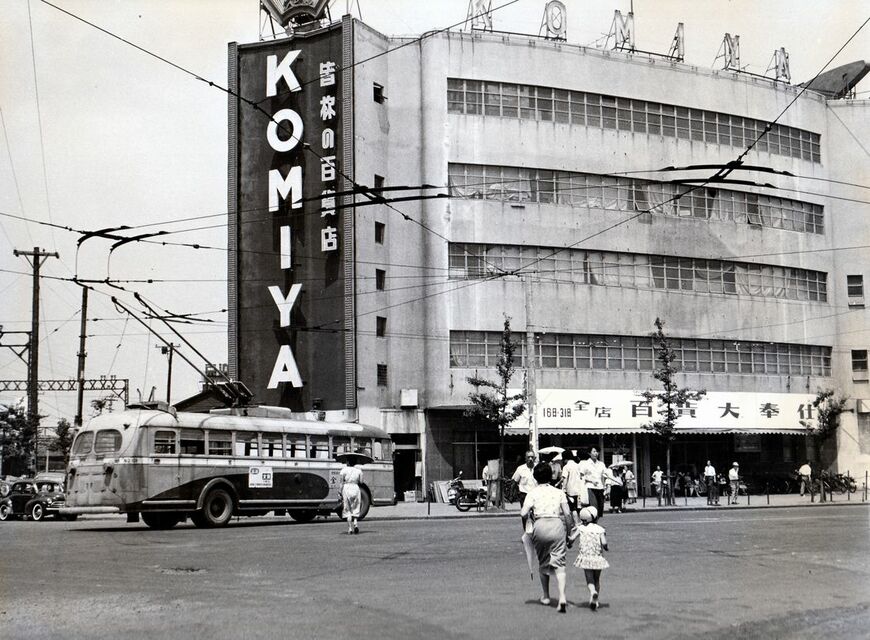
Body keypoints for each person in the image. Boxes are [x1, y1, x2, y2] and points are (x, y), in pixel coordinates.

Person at [520, 463, 573, 613]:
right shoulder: (559, 492)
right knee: (560, 563)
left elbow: (523, 513)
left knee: (543, 561)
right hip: (556, 524)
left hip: (540, 525)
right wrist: (569, 534)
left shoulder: (532, 493)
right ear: (551, 476)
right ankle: (562, 597)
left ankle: (546, 595)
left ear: (535, 477)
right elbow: (568, 515)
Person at [569, 506, 609, 611]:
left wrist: (569, 542)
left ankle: (592, 593)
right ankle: (595, 600)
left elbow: (572, 538)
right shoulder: (600, 529)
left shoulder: (581, 528)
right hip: (597, 558)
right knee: (597, 579)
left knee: (589, 579)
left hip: (586, 558)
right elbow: (604, 543)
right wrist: (606, 547)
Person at [578, 448, 607, 520]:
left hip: (600, 488)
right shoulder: (586, 464)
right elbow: (581, 476)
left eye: (597, 451)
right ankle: (593, 524)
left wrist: (606, 486)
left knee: (600, 509)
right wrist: (591, 481)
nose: (596, 453)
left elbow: (605, 475)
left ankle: (595, 523)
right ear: (589, 453)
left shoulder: (601, 464)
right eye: (594, 451)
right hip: (590, 488)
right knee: (594, 508)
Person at [513, 452, 538, 529]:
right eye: (528, 457)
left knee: (536, 513)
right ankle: (526, 532)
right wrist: (515, 493)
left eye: (532, 457)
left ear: (534, 458)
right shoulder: (520, 469)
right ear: (525, 458)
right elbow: (514, 481)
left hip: (536, 494)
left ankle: (536, 532)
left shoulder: (538, 467)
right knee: (524, 514)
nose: (530, 459)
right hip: (524, 494)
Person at [339, 457, 364, 534]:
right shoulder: (359, 471)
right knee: (356, 507)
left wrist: (339, 492)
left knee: (347, 508)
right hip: (355, 488)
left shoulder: (343, 470)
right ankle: (356, 524)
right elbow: (361, 482)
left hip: (346, 488)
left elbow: (341, 483)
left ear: (348, 462)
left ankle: (350, 528)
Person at [560, 450, 583, 522]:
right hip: (579, 490)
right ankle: (580, 522)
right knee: (578, 508)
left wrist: (563, 489)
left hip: (570, 491)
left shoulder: (566, 467)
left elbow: (565, 479)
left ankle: (576, 523)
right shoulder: (578, 466)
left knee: (573, 509)